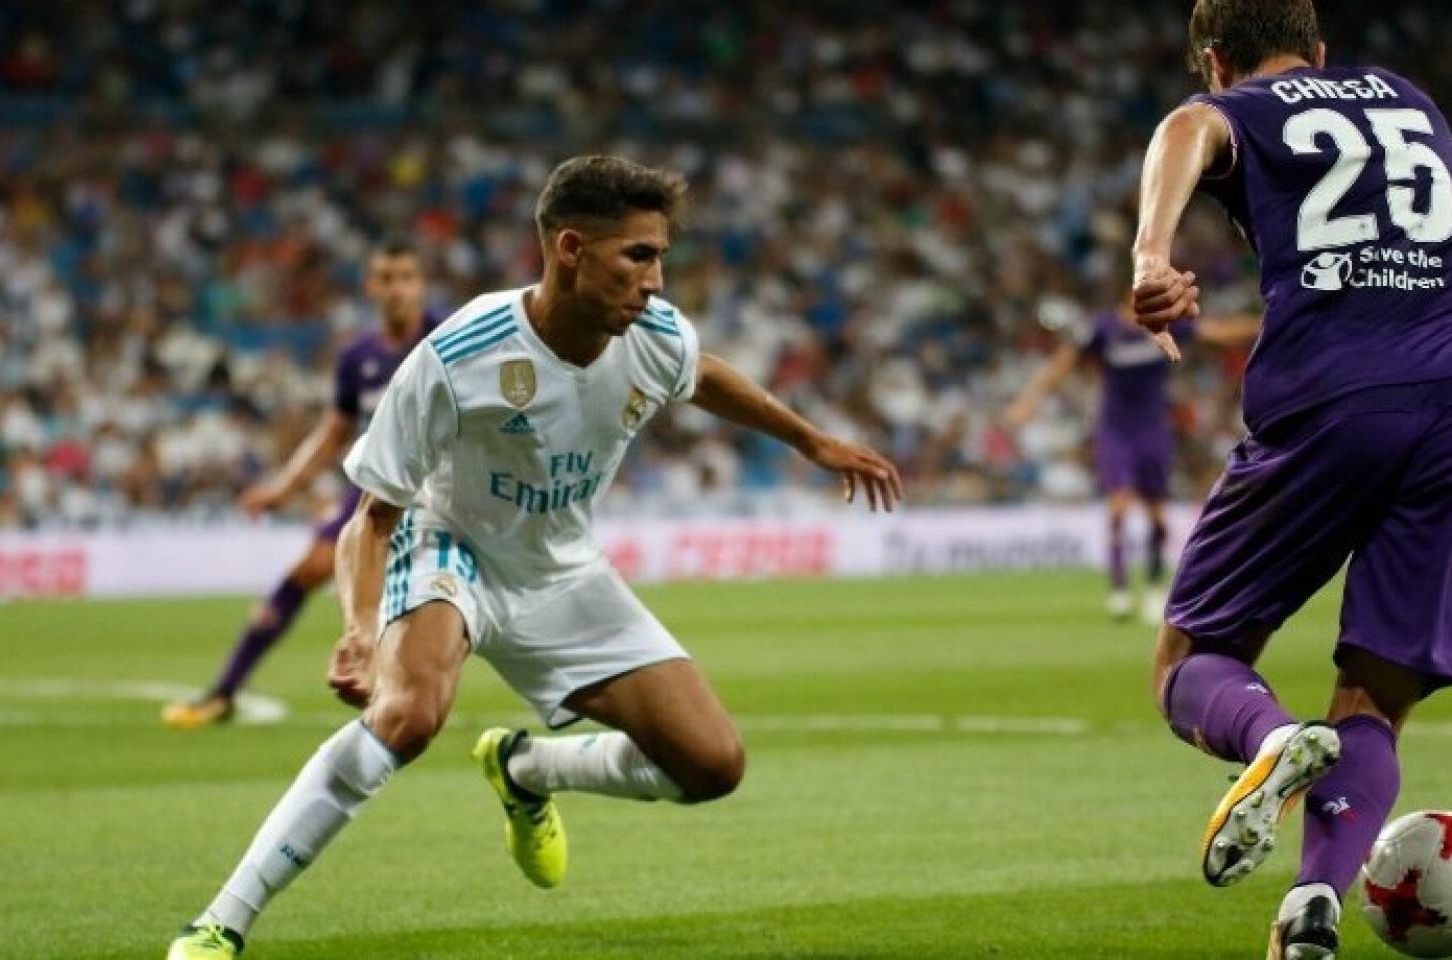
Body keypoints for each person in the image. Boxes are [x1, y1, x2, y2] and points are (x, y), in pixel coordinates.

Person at [165, 155, 902, 959]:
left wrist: (811, 441)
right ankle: (220, 923)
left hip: (563, 567)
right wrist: (358, 624)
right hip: (453, 546)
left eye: (661, 257)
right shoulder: (458, 355)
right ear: (571, 249)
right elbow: (372, 516)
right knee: (408, 717)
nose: (656, 280)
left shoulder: (653, 335)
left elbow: (703, 375)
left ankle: (527, 768)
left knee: (711, 765)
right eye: (638, 256)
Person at [1132, 1, 1452, 956]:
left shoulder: (1241, 105)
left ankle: (1266, 737)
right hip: (1448, 403)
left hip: (1331, 400)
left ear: (1218, 61)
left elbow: (1189, 126)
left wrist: (1153, 253)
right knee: (1373, 699)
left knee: (1187, 665)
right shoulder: (1412, 102)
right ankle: (1312, 904)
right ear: (1319, 49)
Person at [162, 241, 437, 728]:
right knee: (309, 568)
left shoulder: (446, 336)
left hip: (443, 487)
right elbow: (335, 429)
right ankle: (225, 691)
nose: (396, 289)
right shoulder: (358, 357)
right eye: (386, 278)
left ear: (421, 283)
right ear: (371, 287)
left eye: (406, 277)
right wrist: (282, 488)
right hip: (377, 487)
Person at [1007, 298, 1254, 622]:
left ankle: (1153, 585)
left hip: (1153, 431)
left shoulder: (1164, 323)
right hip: (1115, 431)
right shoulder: (1103, 330)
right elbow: (1063, 363)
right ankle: (1119, 588)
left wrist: (1271, 318)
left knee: (1157, 517)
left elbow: (1215, 332)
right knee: (1118, 508)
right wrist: (1030, 400)